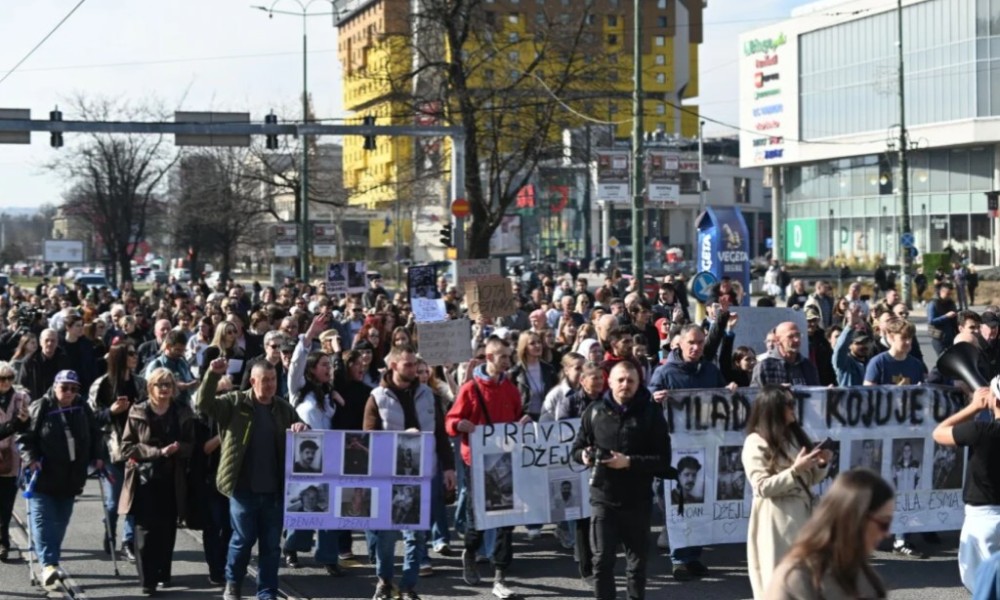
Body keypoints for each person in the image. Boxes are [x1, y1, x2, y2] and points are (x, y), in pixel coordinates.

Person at [197, 357, 309, 600]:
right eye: (264, 381)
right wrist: (212, 376)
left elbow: (305, 430)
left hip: (274, 491)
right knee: (243, 540)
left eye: (272, 380)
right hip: (242, 489)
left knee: (271, 547)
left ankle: (267, 591)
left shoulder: (282, 408)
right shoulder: (235, 402)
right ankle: (233, 582)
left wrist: (302, 427)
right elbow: (204, 404)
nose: (269, 385)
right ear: (252, 381)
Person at [363, 345, 456, 600]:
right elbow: (369, 438)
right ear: (393, 366)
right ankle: (384, 581)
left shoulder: (428, 394)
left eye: (415, 364)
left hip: (421, 476)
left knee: (416, 535)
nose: (414, 369)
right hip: (389, 477)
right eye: (408, 365)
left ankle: (408, 586)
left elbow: (439, 433)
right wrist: (403, 439)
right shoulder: (377, 397)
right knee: (387, 536)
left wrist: (448, 468)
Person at [571, 361, 671, 600]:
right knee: (602, 561)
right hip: (603, 499)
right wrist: (583, 455)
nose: (625, 385)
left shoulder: (651, 414)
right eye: (621, 380)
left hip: (637, 501)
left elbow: (663, 460)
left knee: (636, 566)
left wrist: (629, 462)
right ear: (610, 382)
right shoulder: (594, 411)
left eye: (631, 381)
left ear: (639, 384)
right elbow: (576, 449)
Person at [446, 336, 528, 599]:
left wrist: (523, 423)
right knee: (477, 518)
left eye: (508, 356)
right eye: (503, 356)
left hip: (506, 462)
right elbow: (451, 419)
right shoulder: (470, 388)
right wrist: (460, 425)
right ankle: (470, 551)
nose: (508, 360)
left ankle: (500, 576)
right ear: (490, 358)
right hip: (477, 463)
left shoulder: (511, 388)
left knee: (506, 520)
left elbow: (516, 417)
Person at [17, 370, 103, 590]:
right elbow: (24, 437)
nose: (69, 392)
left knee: (61, 522)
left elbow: (95, 434)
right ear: (55, 386)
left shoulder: (82, 408)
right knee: (43, 521)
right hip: (43, 476)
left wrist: (98, 457)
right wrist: (31, 459)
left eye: (74, 388)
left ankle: (51, 559)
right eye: (64, 387)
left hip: (71, 477)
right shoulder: (41, 406)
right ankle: (48, 565)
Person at [742, 386, 831, 599]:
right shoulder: (756, 442)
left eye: (794, 403)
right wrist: (795, 470)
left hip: (803, 516)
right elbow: (762, 486)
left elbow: (808, 480)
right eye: (788, 404)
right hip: (777, 522)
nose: (794, 409)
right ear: (773, 409)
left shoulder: (793, 436)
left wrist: (819, 465)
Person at [118, 368, 195, 595]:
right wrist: (157, 452)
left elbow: (192, 445)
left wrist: (180, 448)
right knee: (144, 531)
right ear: (150, 387)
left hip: (173, 478)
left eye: (168, 385)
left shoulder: (182, 411)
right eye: (159, 385)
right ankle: (147, 580)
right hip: (144, 478)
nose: (164, 389)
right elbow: (126, 447)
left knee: (167, 529)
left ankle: (163, 573)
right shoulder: (138, 411)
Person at [765, 469, 892, 599]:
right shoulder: (797, 577)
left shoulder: (862, 574)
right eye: (884, 523)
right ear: (855, 519)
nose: (887, 534)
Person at [933, 379, 1000, 590]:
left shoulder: (980, 430)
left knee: (982, 586)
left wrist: (974, 407)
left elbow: (939, 433)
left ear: (995, 400)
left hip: (983, 519)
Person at [88, 342, 146, 561]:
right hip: (111, 450)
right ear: (120, 357)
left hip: (136, 448)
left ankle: (127, 541)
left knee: (133, 498)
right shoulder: (101, 384)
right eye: (131, 354)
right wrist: (111, 411)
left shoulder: (140, 383)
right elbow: (90, 417)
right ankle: (110, 531)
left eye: (136, 353)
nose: (135, 357)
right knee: (113, 501)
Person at [0, 361, 30, 562]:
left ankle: (3, 543)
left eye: (10, 378)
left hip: (11, 458)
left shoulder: (21, 399)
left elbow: (26, 429)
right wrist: (14, 424)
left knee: (6, 503)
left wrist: (25, 421)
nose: (6, 382)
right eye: (2, 379)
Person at [751, 322, 820, 387]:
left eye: (798, 335)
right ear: (777, 340)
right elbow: (755, 396)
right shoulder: (765, 367)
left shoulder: (808, 365)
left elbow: (816, 392)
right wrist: (777, 392)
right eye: (790, 336)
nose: (796, 340)